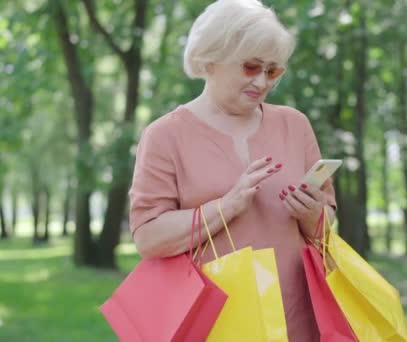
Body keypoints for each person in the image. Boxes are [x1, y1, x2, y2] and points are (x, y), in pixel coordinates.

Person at [128, 0, 336, 340]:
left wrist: (313, 215)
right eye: (252, 67)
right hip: (212, 323)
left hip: (297, 320)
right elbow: (148, 237)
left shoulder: (295, 125)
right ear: (210, 59)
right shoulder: (164, 135)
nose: (263, 82)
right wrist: (226, 207)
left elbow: (328, 226)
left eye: (273, 71)